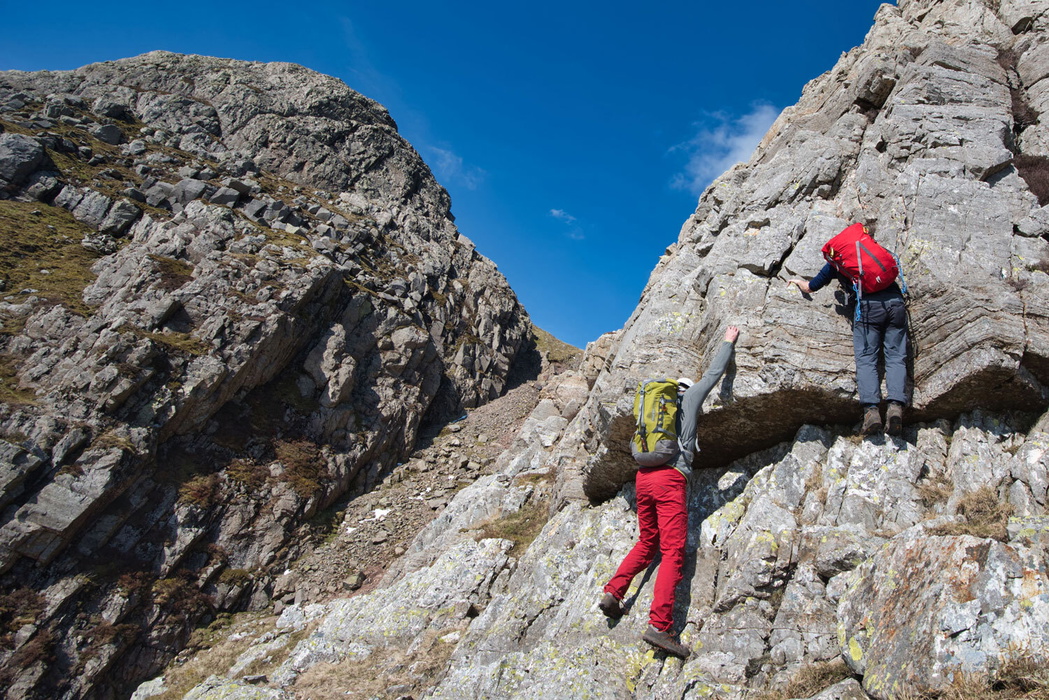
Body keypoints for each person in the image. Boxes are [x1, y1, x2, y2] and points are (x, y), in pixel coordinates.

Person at [598, 325, 740, 659]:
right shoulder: (689, 398)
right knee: (673, 551)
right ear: (686, 392)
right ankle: (660, 627)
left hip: (643, 478)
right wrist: (727, 342)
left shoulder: (654, 413)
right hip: (670, 480)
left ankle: (613, 593)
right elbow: (713, 375)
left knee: (647, 542)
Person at [787, 228, 909, 436]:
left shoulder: (837, 262)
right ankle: (895, 407)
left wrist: (800, 283)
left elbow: (811, 287)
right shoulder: (872, 251)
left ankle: (871, 412)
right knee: (896, 356)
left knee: (867, 359)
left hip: (868, 310)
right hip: (895, 304)